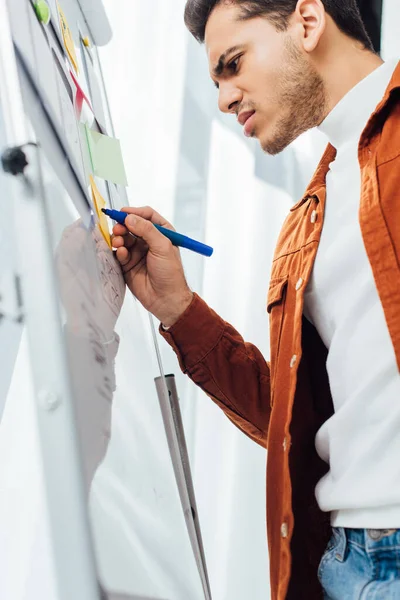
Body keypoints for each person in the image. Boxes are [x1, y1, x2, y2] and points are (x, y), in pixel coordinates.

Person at [111, 1, 400, 598]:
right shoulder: (308, 221)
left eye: (233, 64)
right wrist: (178, 310)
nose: (224, 99)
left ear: (308, 21)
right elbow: (292, 421)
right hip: (340, 560)